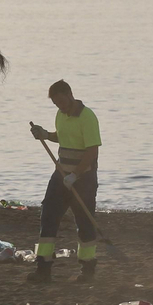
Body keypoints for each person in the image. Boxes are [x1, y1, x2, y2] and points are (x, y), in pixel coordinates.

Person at [29, 80, 101, 282]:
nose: (59, 106)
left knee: (84, 222)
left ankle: (87, 271)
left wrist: (75, 175)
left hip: (84, 178)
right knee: (48, 216)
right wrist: (45, 134)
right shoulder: (61, 115)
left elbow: (92, 150)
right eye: (55, 103)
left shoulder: (87, 117)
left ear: (70, 94)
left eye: (61, 101)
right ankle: (43, 268)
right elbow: (62, 137)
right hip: (60, 175)